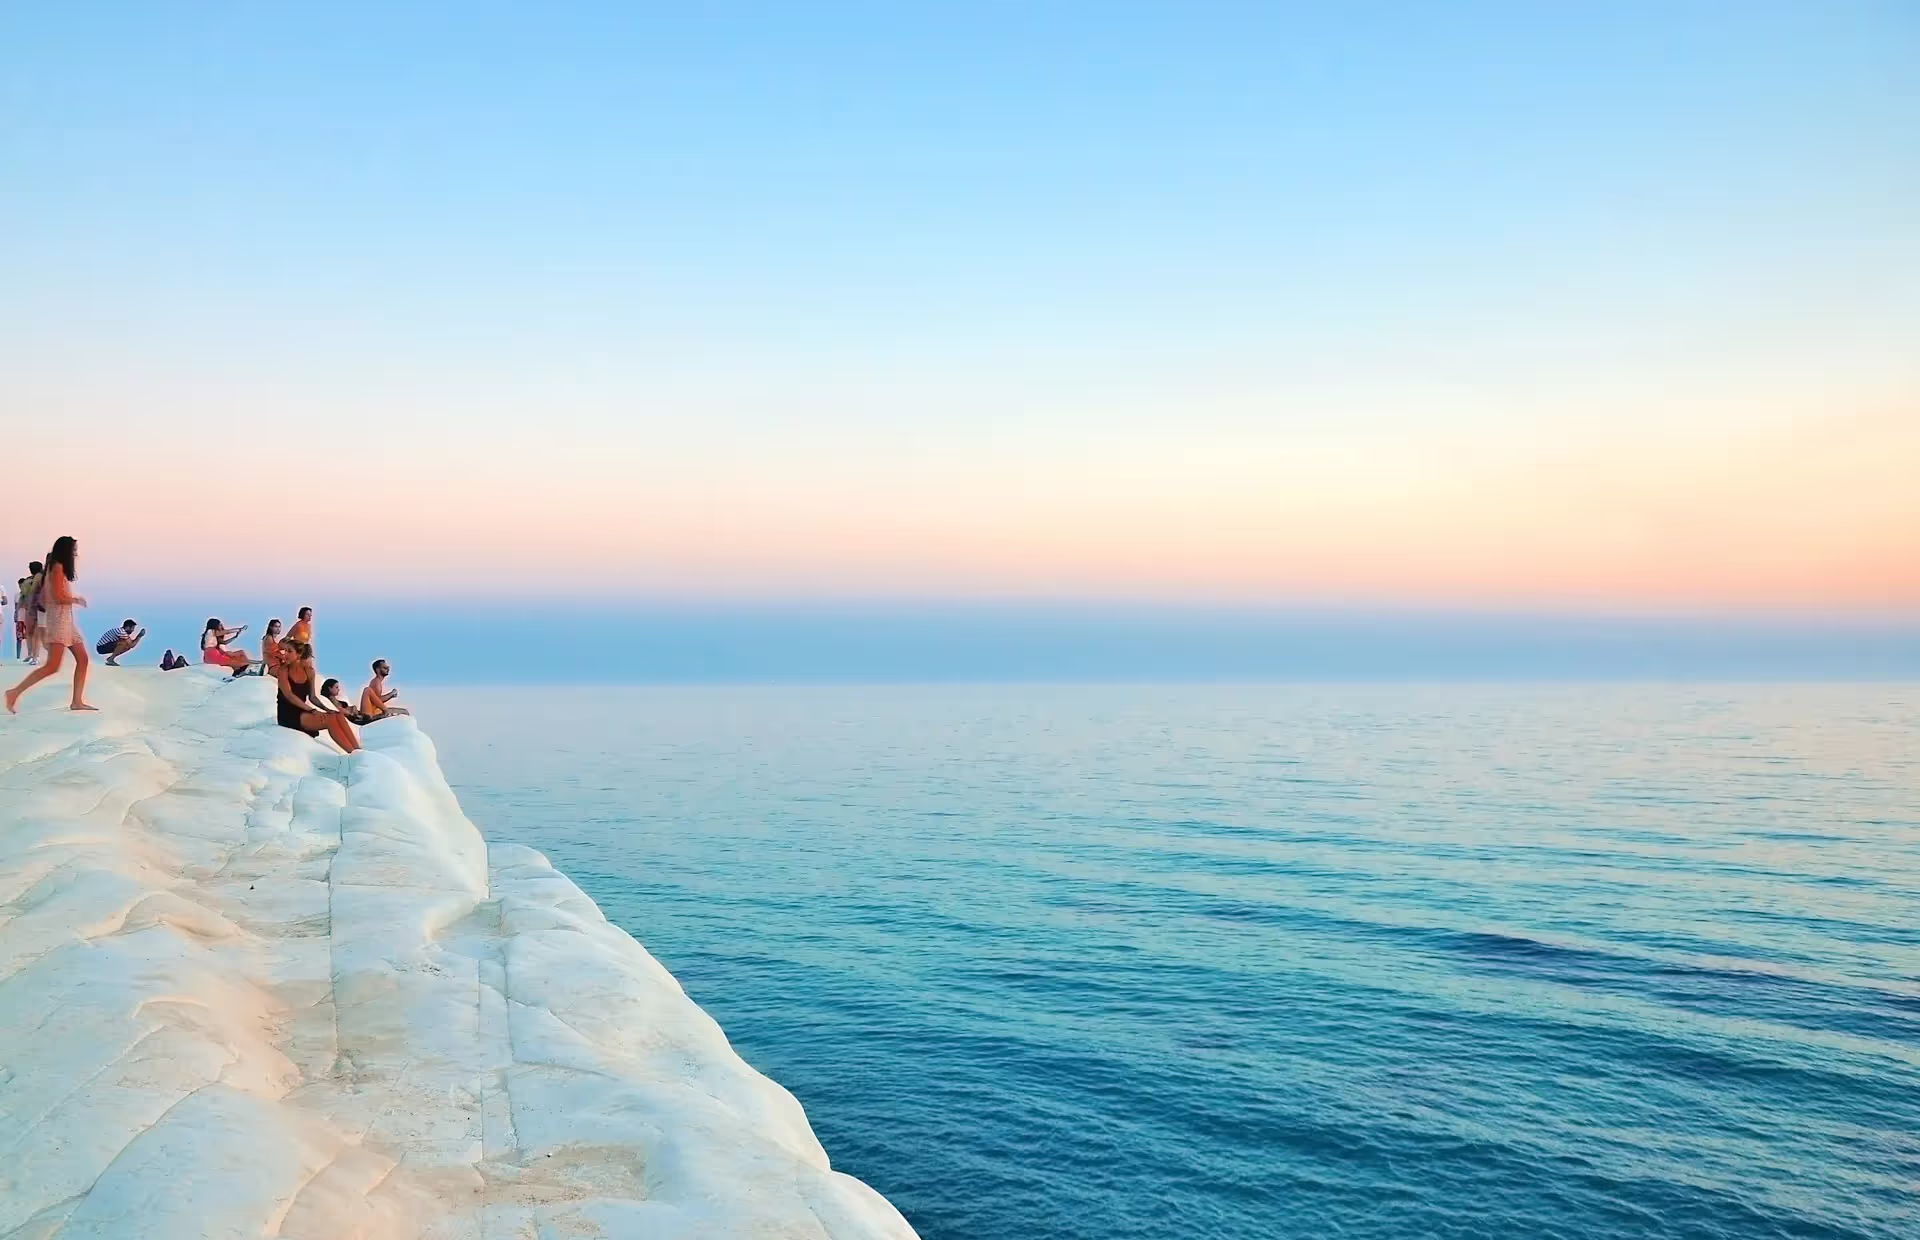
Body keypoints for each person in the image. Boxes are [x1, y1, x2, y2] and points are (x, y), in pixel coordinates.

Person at [6, 537, 93, 713]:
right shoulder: (57, 568)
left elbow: (48, 597)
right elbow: (58, 597)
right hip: (59, 622)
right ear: (66, 550)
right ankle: (14, 692)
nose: (76, 553)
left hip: (65, 622)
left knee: (83, 659)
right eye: (73, 550)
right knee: (52, 666)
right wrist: (76, 599)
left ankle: (77, 701)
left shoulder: (54, 569)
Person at [275, 640, 359, 752]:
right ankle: (352, 752)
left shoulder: (309, 672)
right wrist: (312, 710)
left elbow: (312, 697)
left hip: (302, 710)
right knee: (330, 720)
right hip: (288, 714)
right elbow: (289, 696)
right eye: (285, 651)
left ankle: (358, 749)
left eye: (289, 651)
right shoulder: (283, 670)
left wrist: (326, 709)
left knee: (337, 715)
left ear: (299, 655)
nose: (285, 654)